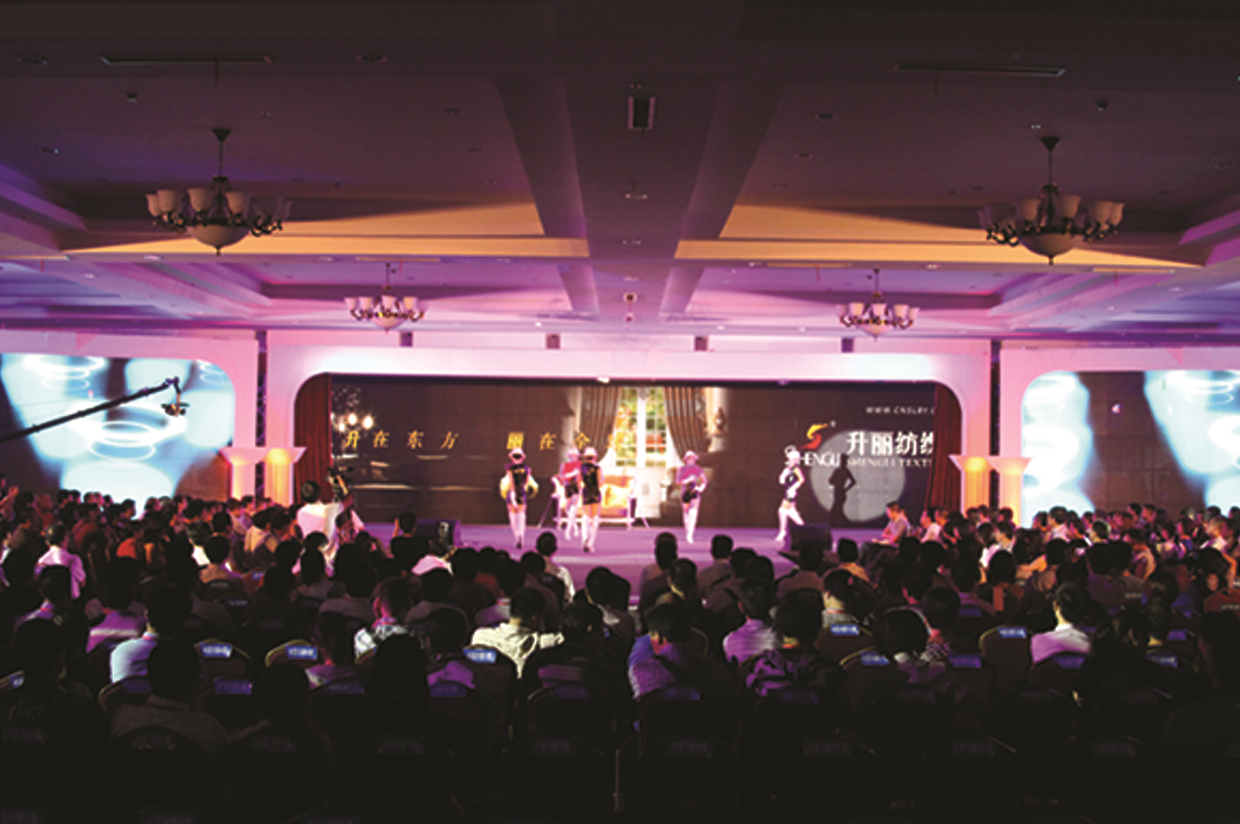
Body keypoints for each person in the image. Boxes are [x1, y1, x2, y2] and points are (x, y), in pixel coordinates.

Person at [296, 478, 361, 567]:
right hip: (330, 558)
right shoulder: (328, 510)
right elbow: (349, 501)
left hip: (310, 558)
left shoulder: (300, 513)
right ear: (318, 494)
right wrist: (342, 483)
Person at [500, 448, 537, 549]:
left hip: (513, 492)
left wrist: (513, 496)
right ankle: (521, 536)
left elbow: (511, 483)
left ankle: (517, 536)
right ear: (522, 457)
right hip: (522, 492)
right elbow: (526, 482)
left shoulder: (510, 468)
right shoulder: (527, 468)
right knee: (521, 515)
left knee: (513, 516)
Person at [675, 451, 708, 544]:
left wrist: (700, 488)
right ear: (686, 460)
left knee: (693, 512)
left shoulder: (698, 469)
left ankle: (690, 534)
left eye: (692, 458)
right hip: (685, 492)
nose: (690, 460)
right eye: (689, 458)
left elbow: (704, 480)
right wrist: (686, 480)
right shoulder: (682, 469)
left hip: (694, 491)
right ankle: (687, 531)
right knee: (686, 512)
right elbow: (677, 481)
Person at [775, 447, 806, 542]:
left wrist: (794, 488)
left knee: (782, 510)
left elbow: (802, 479)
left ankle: (783, 531)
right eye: (789, 458)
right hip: (788, 491)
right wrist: (782, 476)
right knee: (790, 511)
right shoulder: (789, 469)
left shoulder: (796, 469)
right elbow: (782, 480)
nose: (789, 460)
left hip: (791, 493)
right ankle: (803, 528)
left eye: (791, 459)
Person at [579, 446, 602, 553]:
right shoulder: (597, 468)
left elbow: (579, 481)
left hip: (586, 492)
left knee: (585, 517)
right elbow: (600, 482)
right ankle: (590, 543)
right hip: (595, 493)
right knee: (594, 518)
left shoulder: (581, 467)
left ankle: (585, 538)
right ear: (594, 457)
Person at [556, 448, 582, 540]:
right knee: (568, 509)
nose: (573, 457)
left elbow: (576, 473)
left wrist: (567, 475)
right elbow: (561, 476)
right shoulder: (564, 465)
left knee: (573, 508)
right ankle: (575, 527)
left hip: (575, 486)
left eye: (575, 455)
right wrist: (561, 479)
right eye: (571, 455)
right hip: (567, 486)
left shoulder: (579, 464)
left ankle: (567, 531)